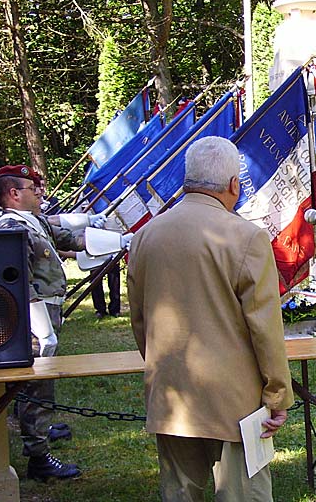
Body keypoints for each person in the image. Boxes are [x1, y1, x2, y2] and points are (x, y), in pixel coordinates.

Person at [127, 136, 294, 502]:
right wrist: (277, 394)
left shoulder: (144, 237)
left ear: (188, 180)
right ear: (234, 185)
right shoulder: (247, 238)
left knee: (179, 494)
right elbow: (265, 329)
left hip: (171, 392)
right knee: (241, 495)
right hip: (235, 402)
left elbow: (140, 321)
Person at [0, 164, 105, 480]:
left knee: (41, 383)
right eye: (32, 189)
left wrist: (119, 239)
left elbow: (68, 237)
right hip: (32, 317)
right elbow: (18, 282)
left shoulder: (33, 222)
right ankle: (38, 456)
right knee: (37, 384)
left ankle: (39, 444)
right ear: (14, 194)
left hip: (46, 310)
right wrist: (40, 327)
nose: (39, 193)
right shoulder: (11, 228)